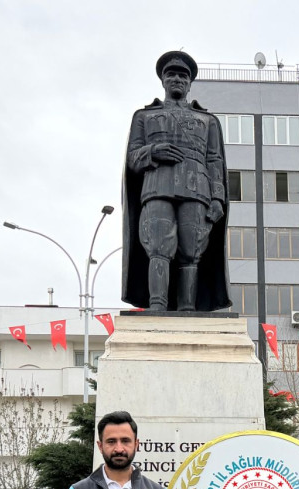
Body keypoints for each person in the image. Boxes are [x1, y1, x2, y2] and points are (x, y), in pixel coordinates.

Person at [121, 50, 231, 313]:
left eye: (183, 76)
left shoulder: (208, 121)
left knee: (191, 250)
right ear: (163, 81)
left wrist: (217, 198)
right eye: (172, 74)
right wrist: (152, 151)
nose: (178, 79)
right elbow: (132, 158)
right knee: (159, 247)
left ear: (190, 82)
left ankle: (187, 308)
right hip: (158, 187)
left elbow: (215, 160)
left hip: (197, 191)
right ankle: (157, 307)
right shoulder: (144, 116)